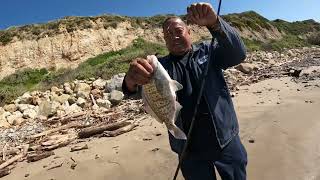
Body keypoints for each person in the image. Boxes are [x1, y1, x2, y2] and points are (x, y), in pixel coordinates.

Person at [122, 2, 247, 180]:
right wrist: (131, 79)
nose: (174, 37)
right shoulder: (159, 67)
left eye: (179, 31)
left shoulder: (208, 51)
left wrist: (215, 23)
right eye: (168, 35)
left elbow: (238, 53)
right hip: (188, 149)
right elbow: (133, 91)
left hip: (225, 139)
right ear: (164, 40)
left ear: (189, 32)